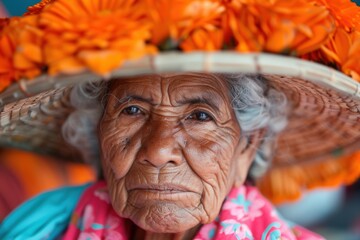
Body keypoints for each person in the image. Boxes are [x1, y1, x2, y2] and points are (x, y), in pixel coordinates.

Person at [1, 0, 360, 239]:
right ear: (97, 133)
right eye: (133, 110)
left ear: (248, 145)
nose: (158, 151)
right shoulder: (42, 225)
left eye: (200, 116)